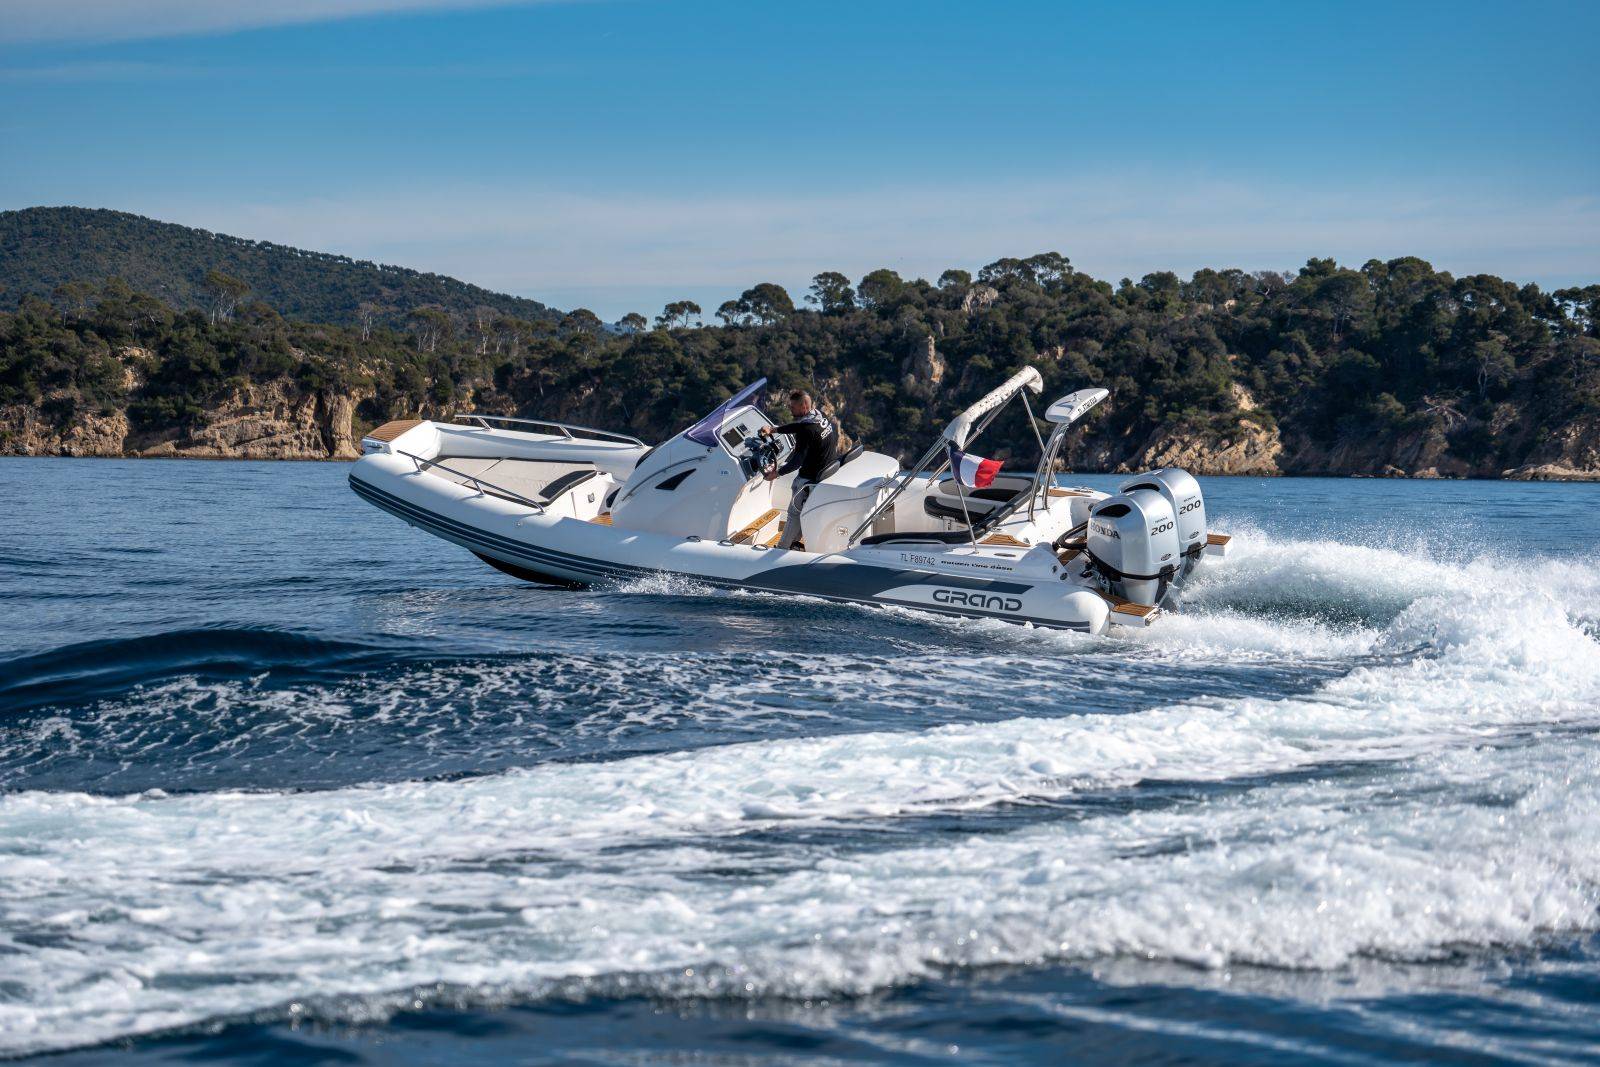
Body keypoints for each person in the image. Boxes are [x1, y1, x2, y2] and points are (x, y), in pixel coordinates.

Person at [759, 389, 838, 550]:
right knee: (804, 511)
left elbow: (797, 461)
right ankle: (794, 543)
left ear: (803, 406)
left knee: (794, 513)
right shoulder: (818, 416)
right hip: (824, 473)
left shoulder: (806, 431)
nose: (790, 410)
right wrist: (774, 430)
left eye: (793, 407)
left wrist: (776, 473)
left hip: (809, 479)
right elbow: (798, 426)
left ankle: (781, 549)